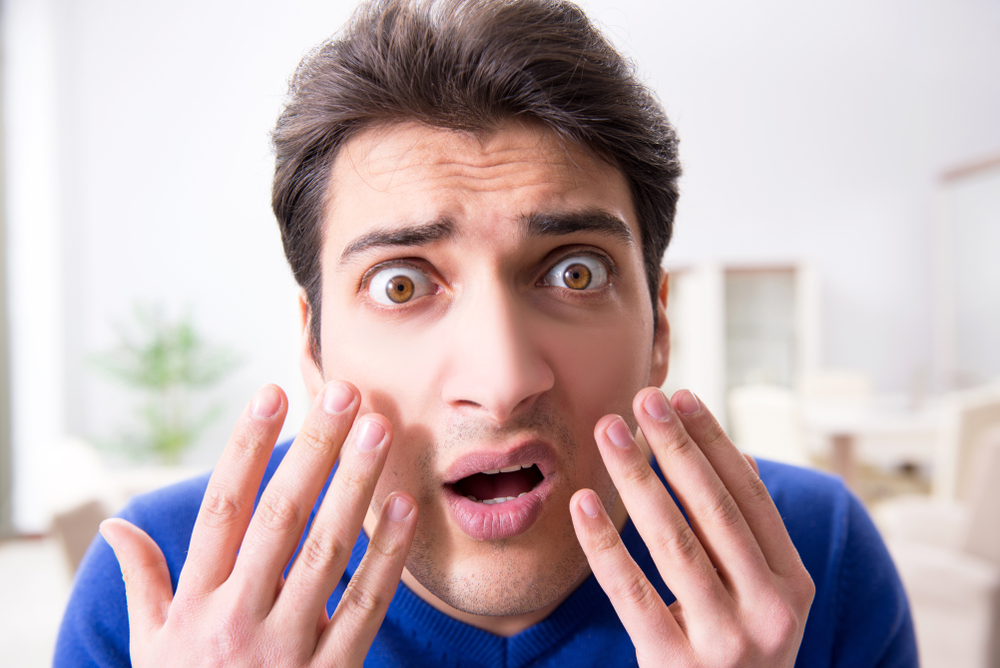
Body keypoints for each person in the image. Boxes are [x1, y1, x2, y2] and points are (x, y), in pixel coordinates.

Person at [56, 0, 917, 665]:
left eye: (574, 271)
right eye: (401, 283)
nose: (503, 379)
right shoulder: (163, 599)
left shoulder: (812, 559)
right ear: (316, 349)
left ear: (659, 325)